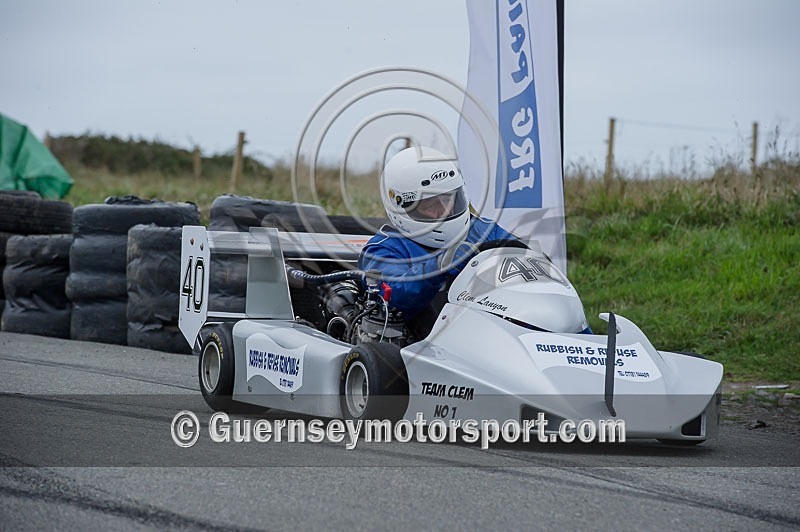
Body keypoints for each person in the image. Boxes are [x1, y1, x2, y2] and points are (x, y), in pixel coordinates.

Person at [358, 146, 518, 339]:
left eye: (448, 199)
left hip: (496, 334)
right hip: (429, 346)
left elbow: (532, 263)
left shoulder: (485, 231)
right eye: (430, 205)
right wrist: (441, 266)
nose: (444, 211)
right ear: (402, 208)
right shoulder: (384, 248)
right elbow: (393, 297)